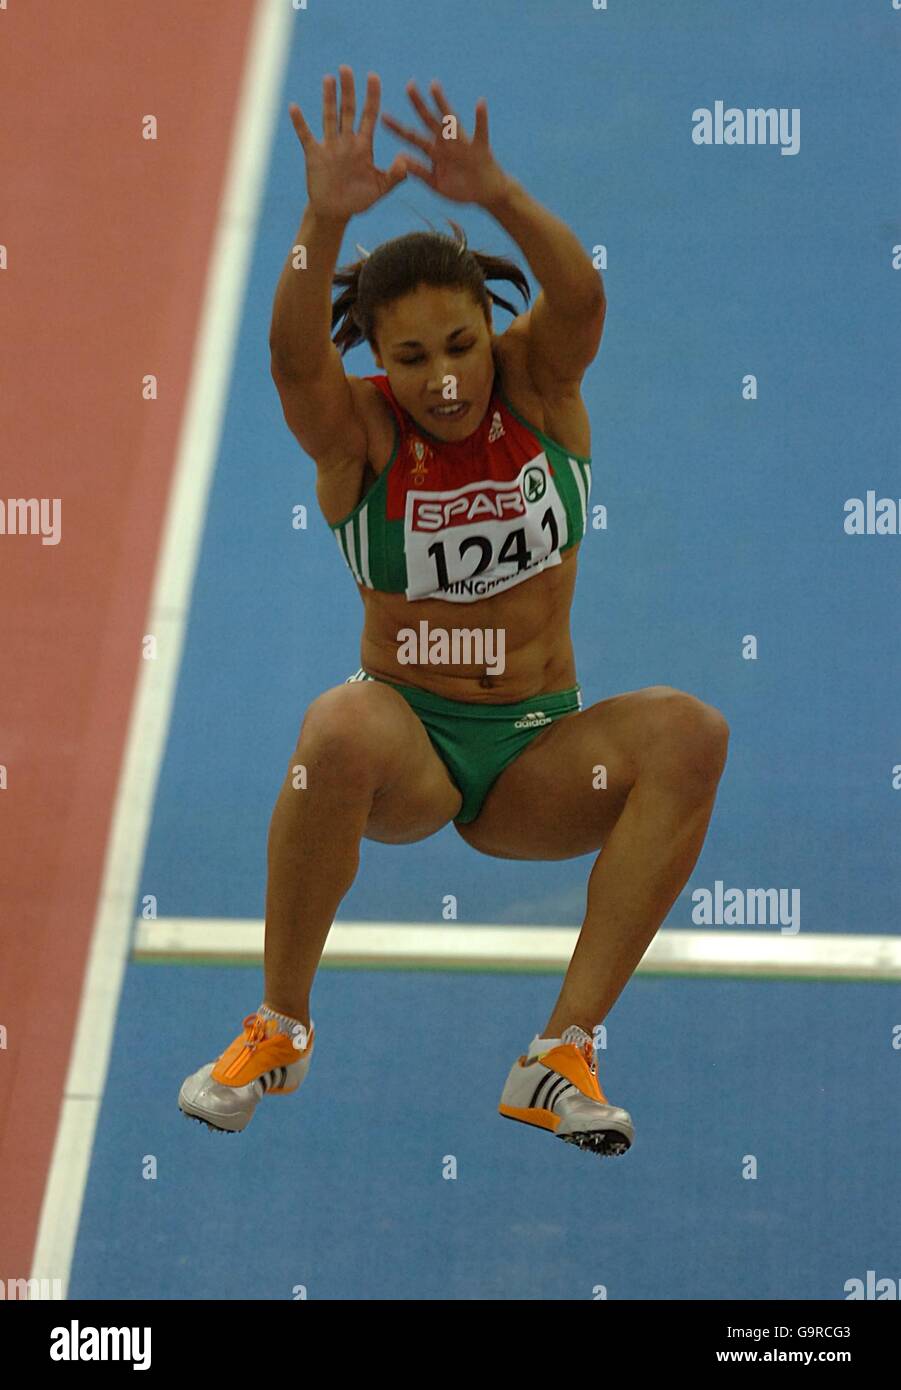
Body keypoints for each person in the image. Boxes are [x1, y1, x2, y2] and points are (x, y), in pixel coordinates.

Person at [179, 67, 729, 1157]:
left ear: (491, 327)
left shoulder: (540, 390)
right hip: (412, 745)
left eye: (460, 345)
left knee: (689, 731)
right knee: (334, 723)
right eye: (411, 358)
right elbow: (293, 358)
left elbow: (581, 300)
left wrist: (498, 194)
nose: (441, 381)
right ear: (378, 364)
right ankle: (279, 1021)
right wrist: (323, 214)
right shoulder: (361, 442)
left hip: (539, 754)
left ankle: (560, 1051)